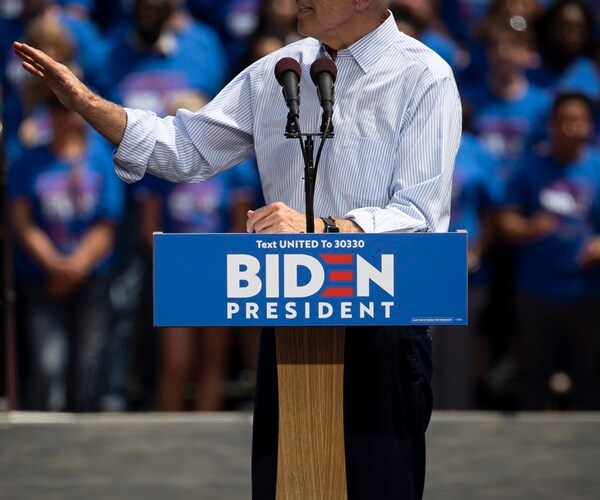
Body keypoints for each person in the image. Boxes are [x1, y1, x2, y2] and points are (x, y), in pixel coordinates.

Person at [13, 0, 462, 497]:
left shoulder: (424, 75)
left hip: (383, 329)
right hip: (293, 321)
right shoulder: (279, 72)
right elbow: (185, 148)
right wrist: (87, 104)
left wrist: (324, 227)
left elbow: (420, 217)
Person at [498, 92, 600, 410]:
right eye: (564, 120)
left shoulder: (597, 166)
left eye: (578, 120)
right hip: (536, 291)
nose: (571, 127)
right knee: (534, 376)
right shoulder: (530, 169)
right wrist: (527, 228)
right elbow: (506, 220)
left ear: (590, 125)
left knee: (590, 376)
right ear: (552, 125)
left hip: (587, 291)